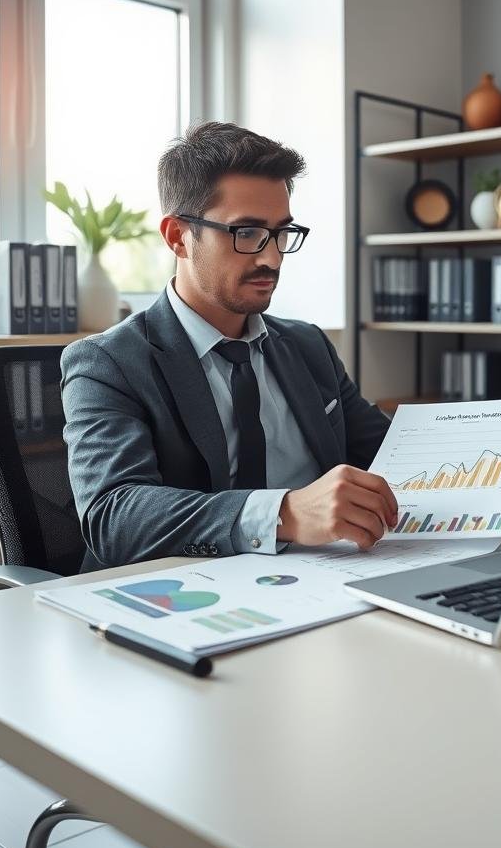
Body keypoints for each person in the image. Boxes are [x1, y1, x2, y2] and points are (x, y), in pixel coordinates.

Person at [60, 121, 396, 570]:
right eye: (246, 233)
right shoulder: (107, 362)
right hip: (181, 595)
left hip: (320, 580)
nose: (271, 257)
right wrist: (284, 514)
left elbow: (394, 449)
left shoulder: (306, 345)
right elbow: (114, 518)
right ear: (178, 236)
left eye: (281, 233)